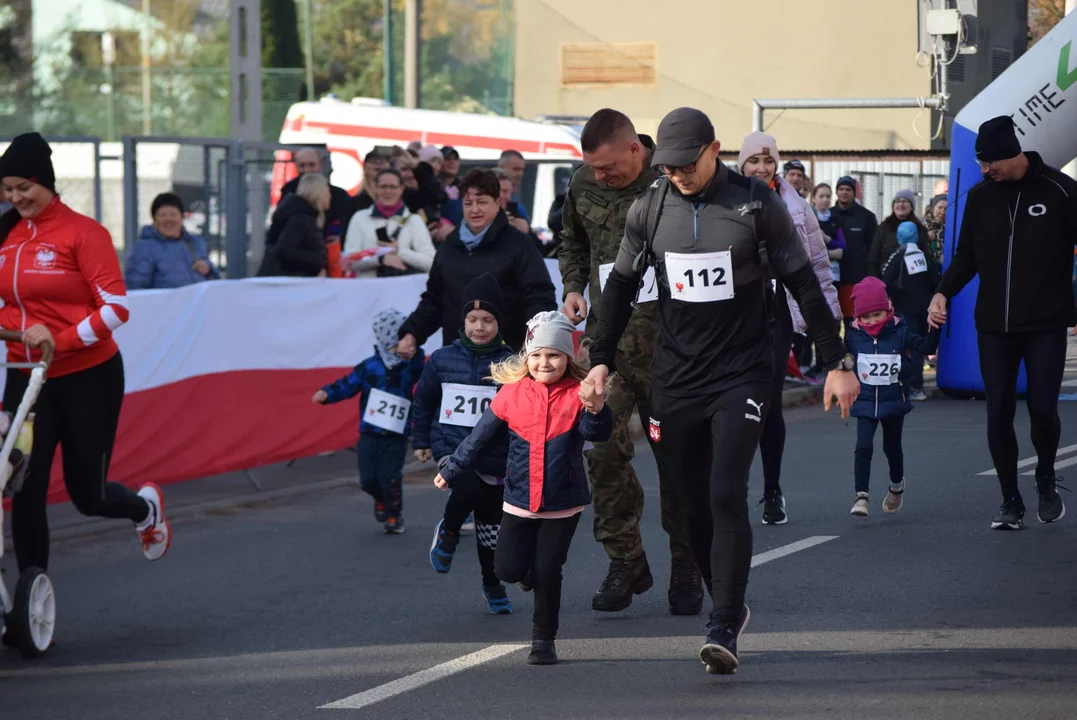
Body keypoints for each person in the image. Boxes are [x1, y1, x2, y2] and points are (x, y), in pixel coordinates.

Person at [581, 107, 859, 675]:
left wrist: (835, 361)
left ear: (714, 150)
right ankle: (722, 598)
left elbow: (803, 282)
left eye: (687, 163)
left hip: (743, 371)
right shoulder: (650, 208)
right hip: (676, 376)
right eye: (669, 165)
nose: (678, 174)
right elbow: (620, 288)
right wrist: (600, 360)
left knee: (726, 487)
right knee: (690, 501)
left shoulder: (756, 205)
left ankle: (725, 619)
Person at [0, 133, 171, 580]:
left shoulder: (84, 233)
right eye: (8, 188)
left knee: (86, 496)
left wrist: (60, 339)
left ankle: (144, 509)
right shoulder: (6, 234)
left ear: (48, 184)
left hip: (87, 377)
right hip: (25, 376)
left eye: (24, 187)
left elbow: (116, 310)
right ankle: (31, 597)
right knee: (24, 487)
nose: (16, 197)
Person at [558, 109, 700, 616]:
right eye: (593, 168)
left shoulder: (674, 187)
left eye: (609, 168)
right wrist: (573, 285)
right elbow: (570, 239)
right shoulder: (583, 184)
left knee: (678, 463)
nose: (601, 177)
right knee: (599, 450)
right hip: (607, 349)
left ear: (636, 151)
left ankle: (687, 564)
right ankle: (626, 560)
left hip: (671, 352)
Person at [434, 311, 613, 665]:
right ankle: (525, 571)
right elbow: (479, 439)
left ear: (567, 357)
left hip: (563, 502)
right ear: (526, 357)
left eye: (554, 355)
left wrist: (596, 409)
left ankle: (543, 641)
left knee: (549, 570)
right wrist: (453, 468)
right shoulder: (510, 395)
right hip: (517, 500)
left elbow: (598, 435)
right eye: (538, 355)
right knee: (507, 570)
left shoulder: (577, 395)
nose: (545, 362)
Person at [929, 115, 1077, 530]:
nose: (983, 170)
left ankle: (1045, 478)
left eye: (988, 162)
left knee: (1044, 410)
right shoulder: (980, 198)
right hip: (994, 324)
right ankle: (1010, 500)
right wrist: (943, 291)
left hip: (1045, 323)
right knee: (998, 413)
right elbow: (966, 256)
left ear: (1010, 155)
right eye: (979, 163)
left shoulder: (1061, 190)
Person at [738, 132, 841, 525]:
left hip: (777, 311)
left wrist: (827, 319)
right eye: (754, 162)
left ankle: (771, 491)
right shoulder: (724, 197)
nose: (762, 168)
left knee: (766, 400)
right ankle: (731, 489)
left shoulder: (798, 206)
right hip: (730, 312)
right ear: (741, 165)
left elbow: (817, 264)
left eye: (768, 161)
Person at [413, 274, 515, 614]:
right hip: (451, 450)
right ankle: (449, 532)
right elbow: (424, 401)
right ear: (463, 322)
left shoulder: (511, 364)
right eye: (472, 320)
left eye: (487, 320)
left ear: (499, 322)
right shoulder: (442, 359)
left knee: (490, 528)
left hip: (495, 456)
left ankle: (492, 584)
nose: (479, 327)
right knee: (467, 491)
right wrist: (422, 440)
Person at [395, 169, 557, 357]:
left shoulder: (520, 244)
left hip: (506, 359)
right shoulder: (449, 247)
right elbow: (434, 300)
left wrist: (539, 341)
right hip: (456, 358)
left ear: (497, 204)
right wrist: (412, 333)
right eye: (468, 203)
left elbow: (539, 297)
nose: (474, 209)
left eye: (481, 202)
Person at [312, 308, 426, 534]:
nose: (401, 342)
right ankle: (379, 498)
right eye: (397, 338)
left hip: (396, 433)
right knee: (367, 479)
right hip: (369, 432)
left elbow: (430, 379)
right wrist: (327, 394)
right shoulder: (369, 366)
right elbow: (348, 384)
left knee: (391, 476)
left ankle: (394, 516)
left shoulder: (413, 363)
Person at [846, 277, 938, 516]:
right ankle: (861, 497)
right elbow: (840, 357)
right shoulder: (853, 336)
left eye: (876, 314)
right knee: (863, 446)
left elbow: (926, 348)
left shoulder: (901, 331)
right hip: (864, 400)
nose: (871, 321)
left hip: (894, 401)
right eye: (865, 317)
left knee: (891, 447)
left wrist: (935, 326)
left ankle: (896, 487)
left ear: (887, 309)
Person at [881, 221, 940, 401]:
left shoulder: (899, 256)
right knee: (918, 348)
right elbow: (935, 283)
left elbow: (886, 281)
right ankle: (917, 385)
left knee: (904, 347)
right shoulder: (924, 257)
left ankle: (909, 386)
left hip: (904, 310)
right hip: (923, 310)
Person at [342, 169, 436, 277]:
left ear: (401, 189)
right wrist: (380, 259)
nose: (387, 191)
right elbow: (349, 259)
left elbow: (431, 262)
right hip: (368, 290)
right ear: (376, 188)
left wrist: (400, 252)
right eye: (383, 187)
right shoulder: (360, 218)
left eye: (392, 187)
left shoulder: (414, 221)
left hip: (402, 290)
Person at [126, 192, 219, 289]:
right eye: (162, 215)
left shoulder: (195, 242)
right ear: (154, 219)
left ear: (181, 217)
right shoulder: (144, 248)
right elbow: (135, 286)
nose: (168, 219)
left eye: (173, 214)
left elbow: (215, 278)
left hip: (199, 303)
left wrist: (208, 269)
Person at [278, 148, 359, 246]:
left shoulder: (339, 195)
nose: (307, 170)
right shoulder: (288, 192)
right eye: (302, 165)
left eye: (311, 165)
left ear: (320, 165)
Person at [258, 173, 330, 277]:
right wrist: (318, 262)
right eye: (327, 190)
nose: (330, 195)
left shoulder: (297, 214)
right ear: (320, 193)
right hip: (288, 281)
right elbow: (284, 250)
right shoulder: (301, 219)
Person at [832, 176, 879, 331]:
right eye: (841, 189)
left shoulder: (866, 217)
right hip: (831, 279)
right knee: (830, 322)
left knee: (853, 323)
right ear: (836, 191)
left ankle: (853, 354)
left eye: (848, 189)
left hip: (855, 280)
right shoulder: (828, 216)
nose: (844, 192)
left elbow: (874, 249)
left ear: (854, 193)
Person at [867, 189, 933, 279]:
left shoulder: (920, 229)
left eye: (905, 201)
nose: (901, 204)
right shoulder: (883, 228)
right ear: (893, 205)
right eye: (897, 201)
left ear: (912, 206)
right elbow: (873, 258)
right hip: (887, 280)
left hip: (913, 281)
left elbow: (926, 257)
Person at [497, 149, 529, 221]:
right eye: (516, 169)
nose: (520, 174)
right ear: (501, 167)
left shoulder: (518, 208)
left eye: (522, 170)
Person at [923, 194, 948, 265]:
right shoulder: (923, 226)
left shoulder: (950, 227)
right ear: (933, 208)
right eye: (940, 208)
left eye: (946, 209)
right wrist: (926, 237)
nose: (942, 212)